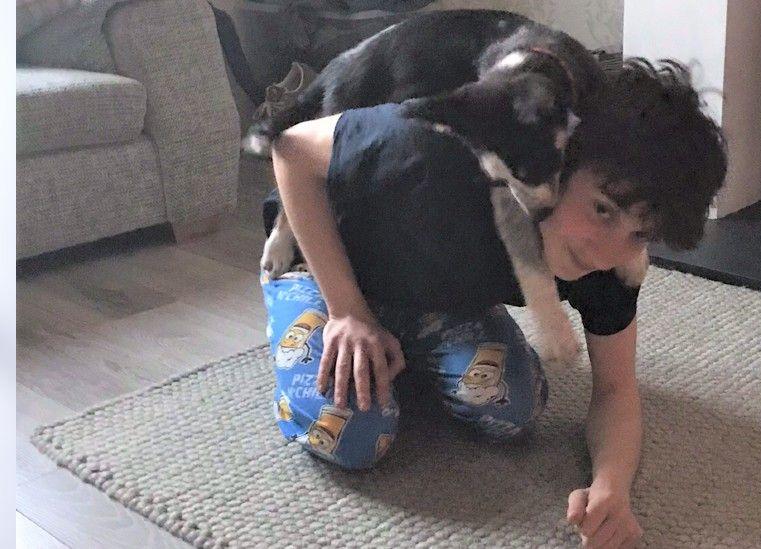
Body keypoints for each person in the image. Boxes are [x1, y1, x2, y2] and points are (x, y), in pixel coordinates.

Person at [261, 58, 726, 549]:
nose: (607, 250)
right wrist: (346, 311)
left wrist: (612, 486)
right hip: (326, 263)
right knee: (353, 434)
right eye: (602, 209)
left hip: (434, 292)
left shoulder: (615, 262)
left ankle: (404, 352)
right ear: (551, 161)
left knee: (511, 405)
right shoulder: (434, 150)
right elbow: (290, 149)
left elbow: (614, 389)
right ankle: (350, 334)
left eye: (638, 233)